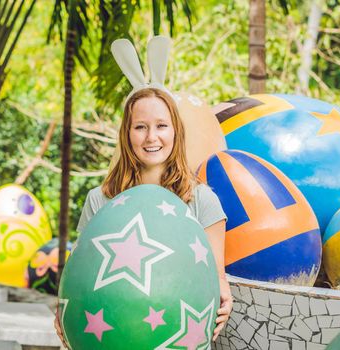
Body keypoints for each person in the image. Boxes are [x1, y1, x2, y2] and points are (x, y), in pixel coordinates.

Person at [54, 87, 233, 347]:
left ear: (175, 132)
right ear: (127, 134)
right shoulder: (100, 199)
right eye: (140, 127)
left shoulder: (202, 201)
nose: (151, 137)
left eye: (161, 125)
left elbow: (216, 280)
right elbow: (81, 273)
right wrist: (65, 309)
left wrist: (223, 298)